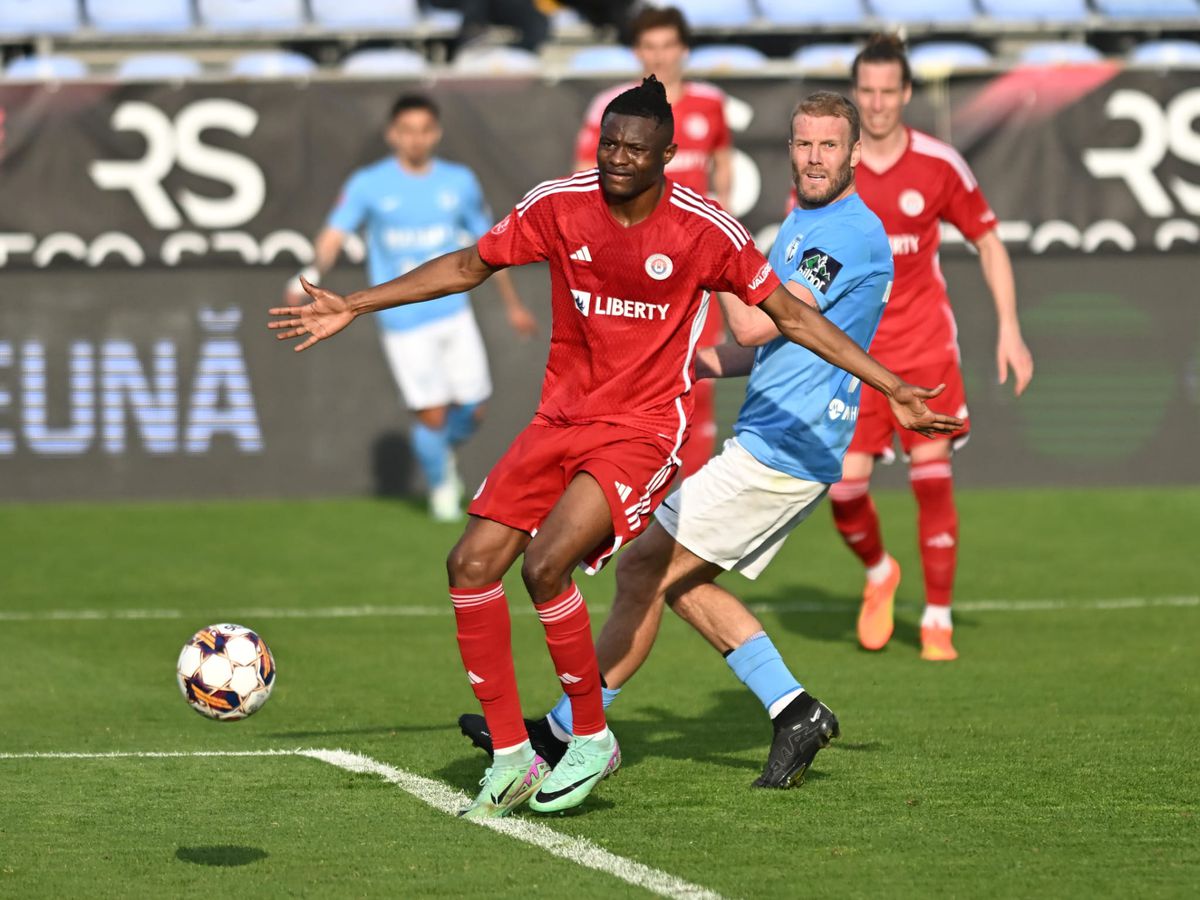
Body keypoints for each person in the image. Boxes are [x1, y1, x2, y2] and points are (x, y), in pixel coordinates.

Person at [271, 77, 957, 818]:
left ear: (669, 154)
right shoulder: (561, 204)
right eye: (610, 144)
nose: (618, 158)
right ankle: (519, 751)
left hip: (654, 433)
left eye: (636, 147)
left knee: (560, 566)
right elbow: (472, 263)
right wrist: (356, 303)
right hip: (563, 419)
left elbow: (784, 318)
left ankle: (584, 732)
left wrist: (891, 385)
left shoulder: (719, 228)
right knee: (479, 564)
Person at [459, 91, 937, 788]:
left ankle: (574, 730)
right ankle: (788, 710)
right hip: (769, 434)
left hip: (787, 447)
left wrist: (702, 241)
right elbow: (760, 343)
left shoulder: (847, 234)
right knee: (658, 575)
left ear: (856, 154)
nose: (813, 158)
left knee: (646, 570)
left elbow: (758, 322)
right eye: (803, 144)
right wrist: (695, 360)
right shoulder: (808, 222)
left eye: (829, 146)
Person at [836, 34, 1034, 661]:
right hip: (855, 355)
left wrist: (1009, 327)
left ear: (907, 93)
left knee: (931, 478)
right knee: (843, 494)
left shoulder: (939, 163)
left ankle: (938, 619)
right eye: (865, 91)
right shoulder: (834, 163)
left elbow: (990, 241)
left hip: (924, 349)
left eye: (888, 91)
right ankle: (878, 574)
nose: (876, 103)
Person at [285, 94, 537, 522]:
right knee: (432, 413)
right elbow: (332, 237)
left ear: (435, 133)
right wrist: (306, 275)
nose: (416, 139)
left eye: (424, 130)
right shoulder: (369, 184)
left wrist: (513, 306)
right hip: (403, 320)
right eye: (407, 131)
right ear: (392, 135)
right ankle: (441, 487)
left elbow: (492, 249)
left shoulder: (459, 182)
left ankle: (441, 457)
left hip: (454, 312)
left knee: (474, 406)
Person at [574, 5, 734, 479]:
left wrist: (720, 209)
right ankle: (621, 487)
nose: (659, 56)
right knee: (622, 381)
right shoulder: (612, 107)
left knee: (697, 376)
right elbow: (584, 178)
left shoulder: (709, 103)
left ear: (683, 50)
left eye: (667, 46)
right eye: (649, 47)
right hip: (630, 268)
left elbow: (723, 159)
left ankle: (688, 500)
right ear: (635, 51)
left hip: (693, 268)